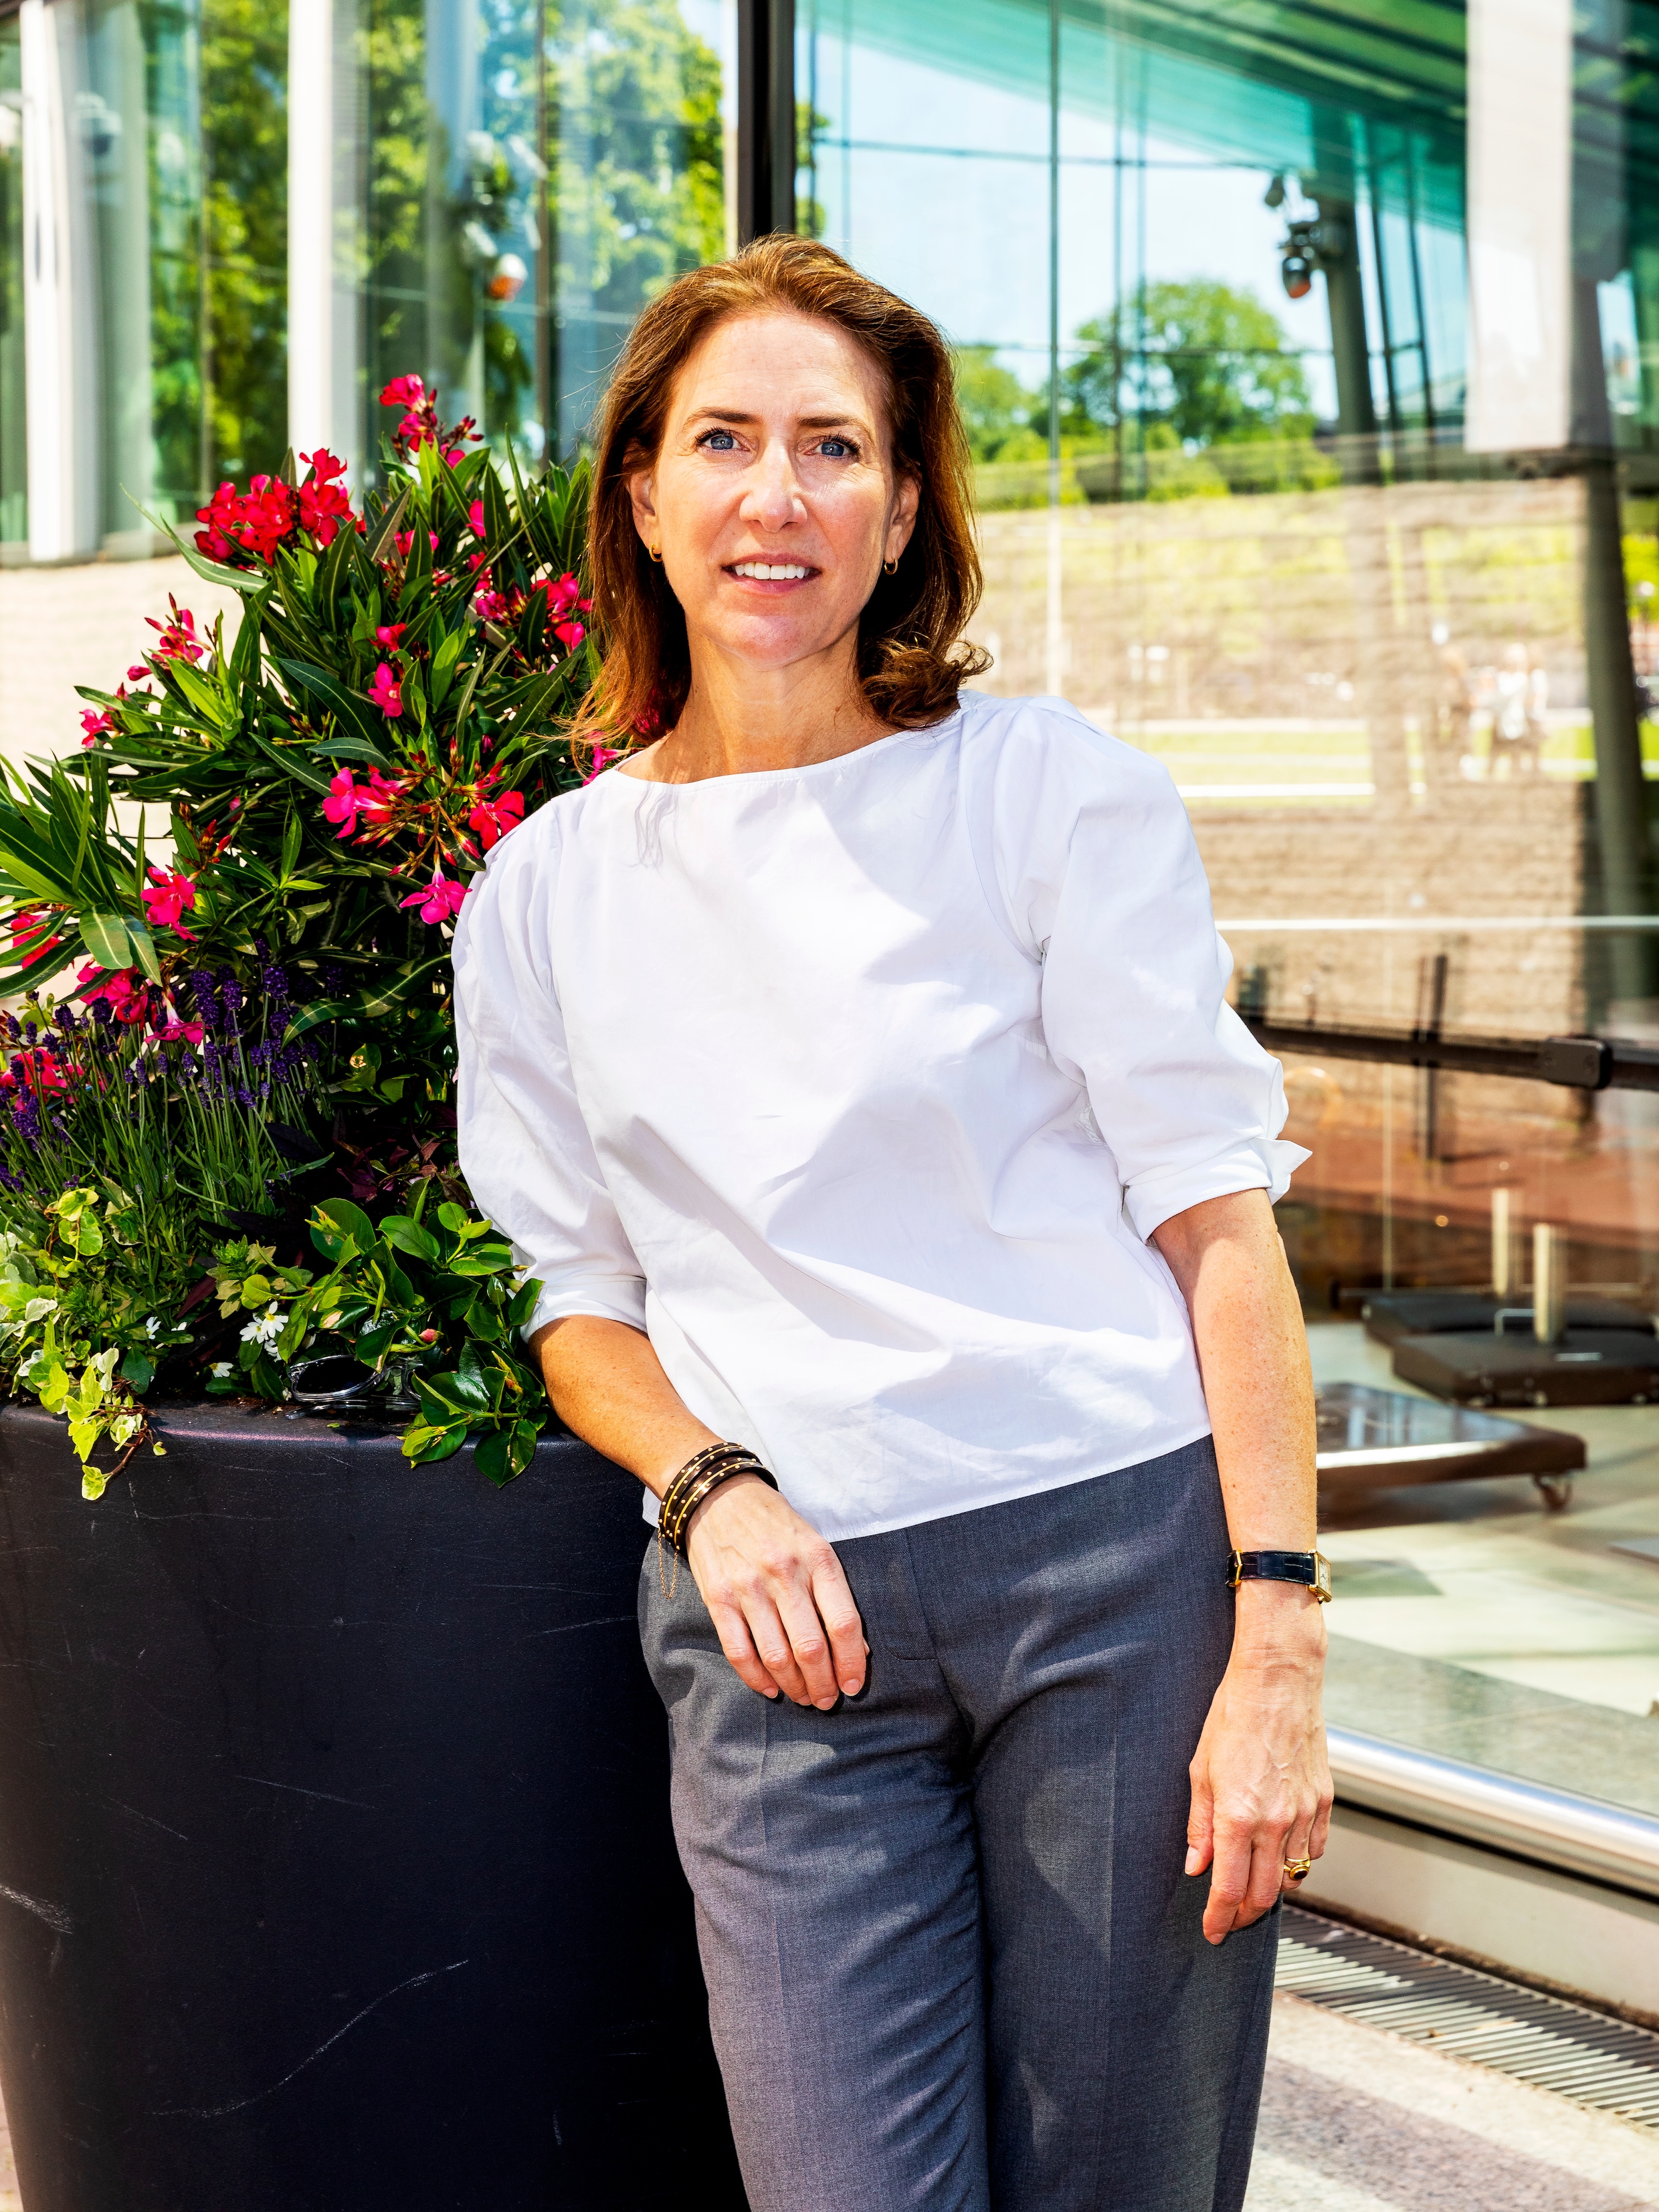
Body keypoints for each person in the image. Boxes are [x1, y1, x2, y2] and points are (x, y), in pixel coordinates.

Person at [454, 236, 1332, 2212]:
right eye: (728, 441)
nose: (779, 495)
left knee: (1121, 2185)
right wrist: (710, 1484)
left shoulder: (1045, 795)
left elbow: (1222, 1226)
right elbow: (577, 1300)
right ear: (645, 498)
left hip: (1119, 1581)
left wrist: (1272, 1634)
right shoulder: (545, 894)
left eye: (834, 448)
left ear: (905, 504)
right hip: (780, 1624)